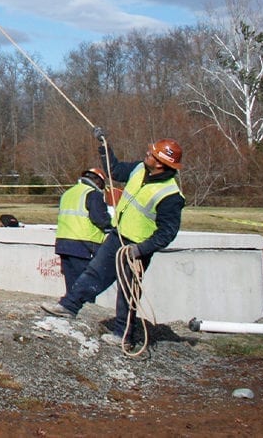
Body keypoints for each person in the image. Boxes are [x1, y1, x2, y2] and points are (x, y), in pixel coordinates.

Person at [43, 129, 185, 347]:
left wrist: (140, 249)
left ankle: (124, 335)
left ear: (160, 163)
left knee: (127, 291)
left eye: (151, 154)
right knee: (94, 272)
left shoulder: (170, 195)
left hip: (136, 248)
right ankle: (69, 306)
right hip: (117, 237)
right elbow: (116, 170)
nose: (147, 154)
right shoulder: (139, 169)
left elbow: (167, 233)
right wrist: (104, 146)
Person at [53, 167, 112, 291]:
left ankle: (70, 308)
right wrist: (112, 224)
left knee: (72, 286)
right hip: (84, 245)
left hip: (63, 244)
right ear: (98, 181)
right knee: (86, 286)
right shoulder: (93, 194)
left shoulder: (68, 193)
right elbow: (100, 219)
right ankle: (85, 309)